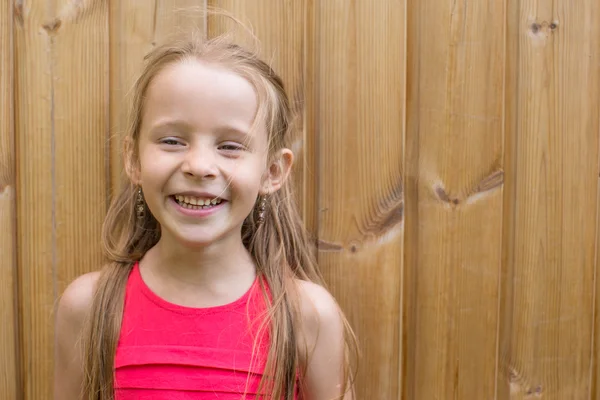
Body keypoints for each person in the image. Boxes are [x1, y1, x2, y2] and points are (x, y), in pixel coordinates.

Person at [53, 21, 358, 400]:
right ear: (133, 159)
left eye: (230, 146)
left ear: (273, 171)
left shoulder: (308, 318)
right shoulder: (88, 308)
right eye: (172, 140)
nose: (199, 165)